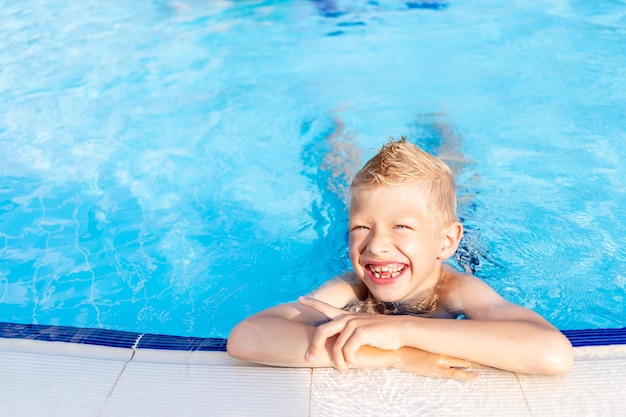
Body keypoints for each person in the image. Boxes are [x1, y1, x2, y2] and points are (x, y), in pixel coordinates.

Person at [227, 137, 573, 380]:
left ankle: (449, 137)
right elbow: (247, 337)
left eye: (401, 226)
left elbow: (552, 353)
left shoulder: (457, 290)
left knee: (463, 190)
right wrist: (394, 355)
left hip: (467, 254)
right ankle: (338, 141)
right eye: (361, 227)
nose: (376, 246)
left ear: (446, 241)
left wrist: (400, 329)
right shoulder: (351, 288)